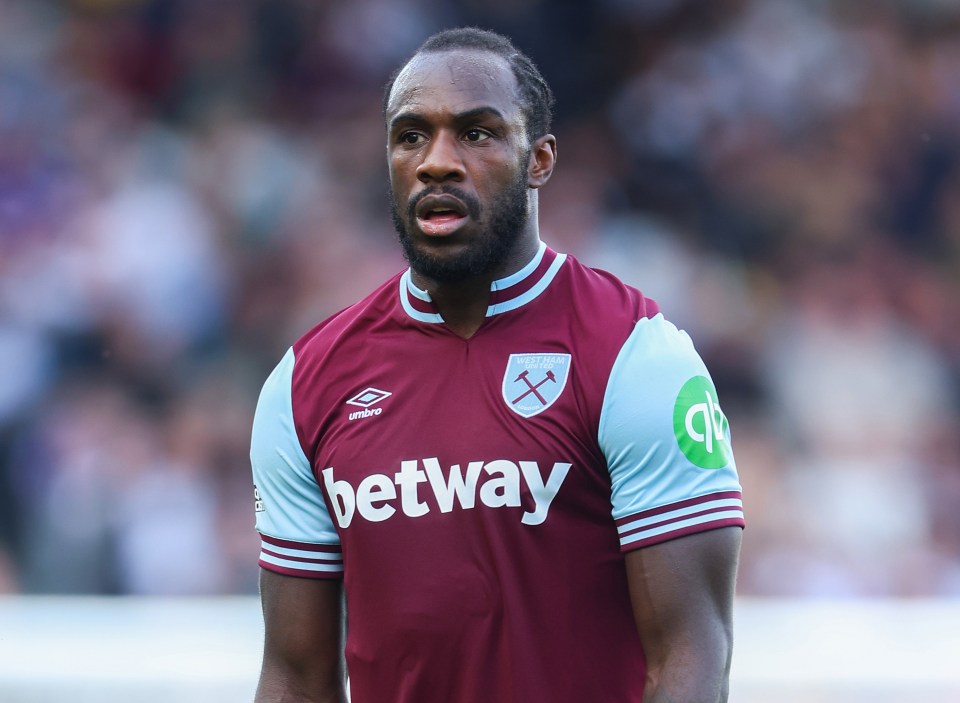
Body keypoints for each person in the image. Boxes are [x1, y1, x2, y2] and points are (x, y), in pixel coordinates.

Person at [250, 27, 744, 703]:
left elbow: (692, 654)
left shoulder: (636, 356)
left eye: (476, 133)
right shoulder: (304, 384)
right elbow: (294, 677)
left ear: (539, 159)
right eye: (411, 136)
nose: (437, 162)